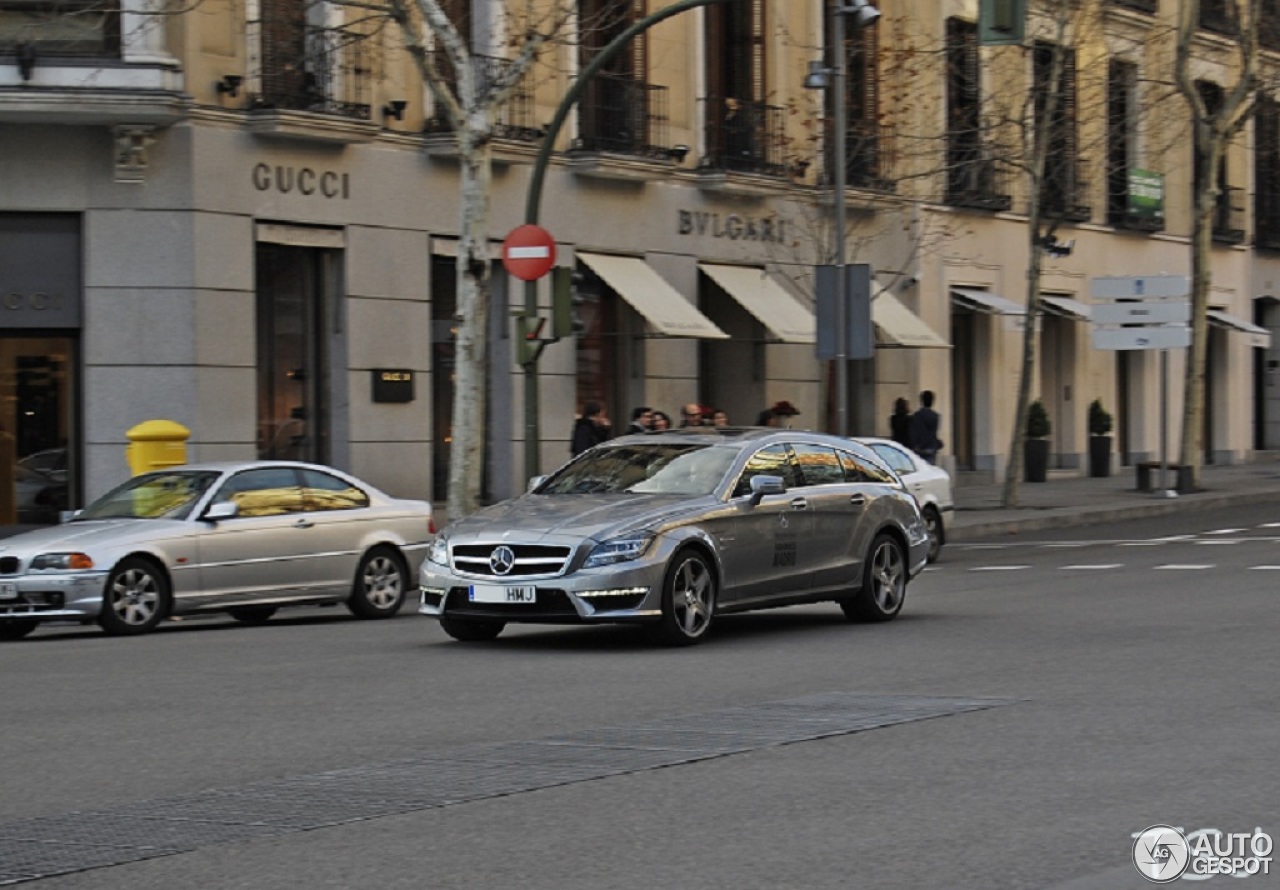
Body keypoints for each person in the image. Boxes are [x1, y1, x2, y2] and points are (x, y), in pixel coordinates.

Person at [908, 390, 943, 464]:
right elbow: (933, 433)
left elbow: (913, 432)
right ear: (932, 401)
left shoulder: (916, 416)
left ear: (921, 401)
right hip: (930, 447)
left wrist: (915, 445)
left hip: (919, 448)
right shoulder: (935, 416)